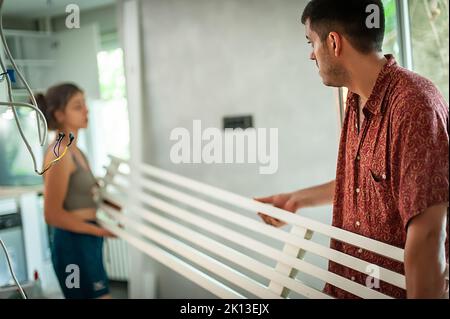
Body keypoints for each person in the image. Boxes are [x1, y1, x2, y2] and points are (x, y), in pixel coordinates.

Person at [256, 0, 449, 299]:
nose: (311, 54)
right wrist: (296, 200)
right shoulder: (357, 98)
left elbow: (428, 236)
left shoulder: (414, 106)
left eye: (312, 42)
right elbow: (369, 185)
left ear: (333, 42)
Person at [36, 83, 115, 299]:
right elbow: (51, 215)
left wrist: (112, 206)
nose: (86, 110)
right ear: (60, 114)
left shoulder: (77, 151)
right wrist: (99, 231)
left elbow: (87, 197)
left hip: (87, 238)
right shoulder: (59, 153)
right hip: (72, 243)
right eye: (77, 106)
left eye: (85, 104)